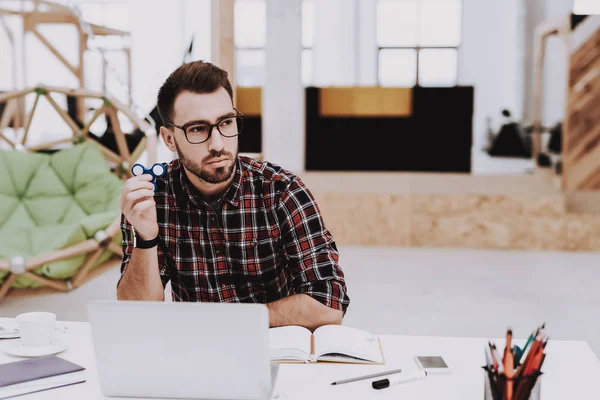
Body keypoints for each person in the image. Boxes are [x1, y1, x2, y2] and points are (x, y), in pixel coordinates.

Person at [116, 61, 350, 330]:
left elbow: (328, 305)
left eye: (226, 123)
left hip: (276, 349)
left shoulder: (282, 191)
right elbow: (138, 313)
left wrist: (234, 322)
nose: (218, 144)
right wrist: (146, 238)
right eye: (198, 129)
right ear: (169, 139)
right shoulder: (150, 199)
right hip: (198, 351)